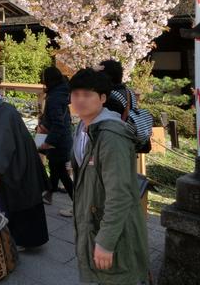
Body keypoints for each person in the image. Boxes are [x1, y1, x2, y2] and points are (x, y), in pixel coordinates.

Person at [69, 68, 149, 284]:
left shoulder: (111, 136)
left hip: (115, 233)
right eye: (76, 94)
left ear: (102, 98)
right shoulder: (82, 128)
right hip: (92, 223)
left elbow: (120, 194)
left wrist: (105, 241)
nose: (80, 100)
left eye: (87, 95)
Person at [0, 85, 49, 250]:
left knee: (20, 199)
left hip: (18, 163)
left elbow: (3, 143)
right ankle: (30, 239)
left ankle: (26, 240)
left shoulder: (4, 113)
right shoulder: (3, 109)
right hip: (20, 158)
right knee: (27, 198)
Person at [38, 66, 74, 214]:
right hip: (63, 138)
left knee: (61, 172)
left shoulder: (54, 98)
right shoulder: (63, 91)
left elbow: (57, 124)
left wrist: (48, 142)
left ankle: (77, 204)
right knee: (55, 168)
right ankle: (49, 194)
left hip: (57, 142)